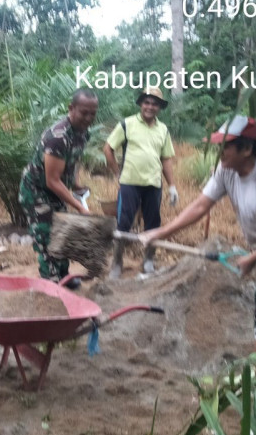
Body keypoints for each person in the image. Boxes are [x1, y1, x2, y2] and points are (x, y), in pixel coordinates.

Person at [141, 115, 256, 359]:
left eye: (224, 146)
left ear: (246, 149)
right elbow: (200, 206)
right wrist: (160, 232)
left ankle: (255, 381)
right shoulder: (227, 171)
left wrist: (254, 256)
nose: (219, 152)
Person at [19, 89, 99, 289]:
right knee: (47, 239)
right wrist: (80, 208)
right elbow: (52, 180)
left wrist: (76, 184)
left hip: (56, 191)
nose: (88, 118)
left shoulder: (82, 133)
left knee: (61, 234)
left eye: (92, 113)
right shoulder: (57, 137)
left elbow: (73, 162)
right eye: (84, 112)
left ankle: (63, 276)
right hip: (37, 192)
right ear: (71, 108)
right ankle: (50, 285)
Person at [103, 86, 178, 278]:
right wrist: (116, 173)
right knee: (123, 223)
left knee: (153, 224)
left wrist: (172, 186)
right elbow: (108, 149)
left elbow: (166, 159)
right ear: (141, 104)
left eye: (155, 104)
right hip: (129, 183)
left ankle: (149, 260)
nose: (150, 107)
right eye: (147, 102)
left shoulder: (163, 130)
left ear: (159, 107)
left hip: (153, 184)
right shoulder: (127, 124)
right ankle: (117, 263)